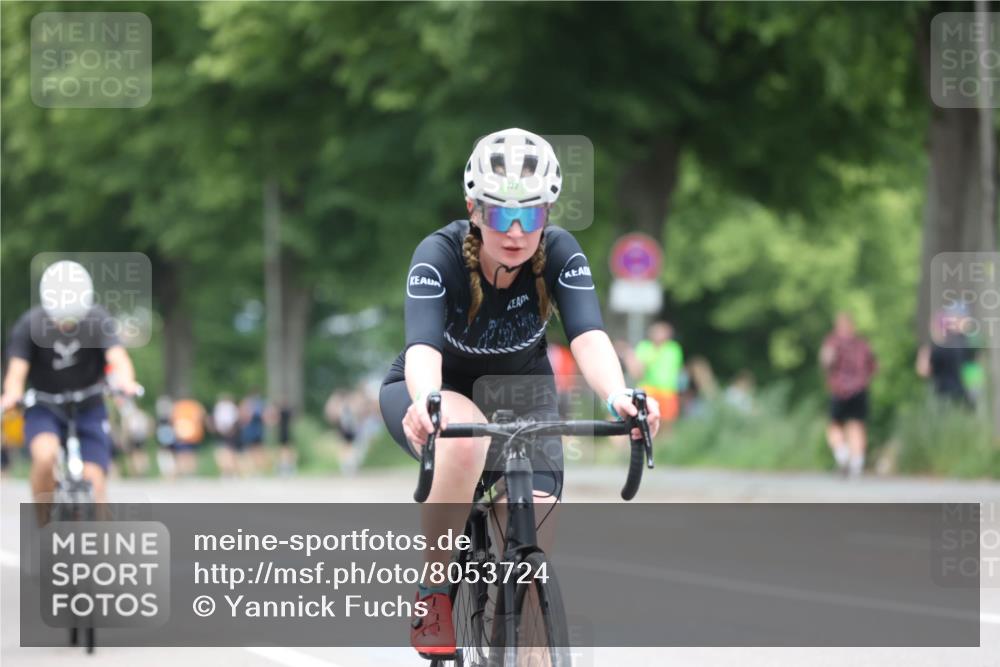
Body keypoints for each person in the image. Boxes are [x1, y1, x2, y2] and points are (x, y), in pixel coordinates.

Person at [378, 128, 661, 657]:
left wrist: (619, 395)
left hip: (523, 393)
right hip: (439, 390)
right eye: (498, 214)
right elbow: (422, 348)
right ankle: (435, 589)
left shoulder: (560, 253)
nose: (514, 231)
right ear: (473, 210)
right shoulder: (437, 255)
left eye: (529, 216)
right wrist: (426, 401)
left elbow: (588, 335)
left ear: (547, 214)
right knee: (465, 443)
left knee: (531, 553)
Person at [0, 260, 141, 508]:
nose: (67, 326)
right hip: (45, 406)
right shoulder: (29, 324)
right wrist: (12, 394)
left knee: (96, 481)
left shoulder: (98, 319)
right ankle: (43, 519)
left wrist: (127, 382)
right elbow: (16, 372)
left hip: (89, 405)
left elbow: (117, 357)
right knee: (45, 457)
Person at [820, 312, 877, 478]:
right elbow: (873, 366)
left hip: (839, 390)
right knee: (857, 426)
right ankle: (857, 463)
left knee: (834, 426)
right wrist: (863, 380)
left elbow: (826, 361)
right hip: (859, 389)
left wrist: (829, 376)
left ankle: (842, 454)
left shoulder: (833, 341)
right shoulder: (862, 343)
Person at [916, 307, 975, 408]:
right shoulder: (961, 343)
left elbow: (923, 371)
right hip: (962, 394)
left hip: (945, 396)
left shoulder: (938, 350)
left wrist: (924, 353)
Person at [627, 321, 684, 426]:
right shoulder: (644, 347)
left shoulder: (673, 348)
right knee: (643, 419)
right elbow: (638, 371)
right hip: (648, 388)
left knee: (667, 421)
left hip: (667, 390)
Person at [170, 397, 206, 476]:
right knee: (190, 454)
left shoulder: (177, 406)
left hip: (183, 434)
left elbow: (172, 420)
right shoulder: (195, 405)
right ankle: (190, 472)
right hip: (192, 435)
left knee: (182, 454)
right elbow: (202, 417)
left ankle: (184, 472)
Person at [211, 393, 241, 477]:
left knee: (225, 451)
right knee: (227, 451)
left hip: (224, 431)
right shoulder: (229, 407)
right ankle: (228, 470)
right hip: (228, 431)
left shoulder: (221, 407)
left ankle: (228, 470)